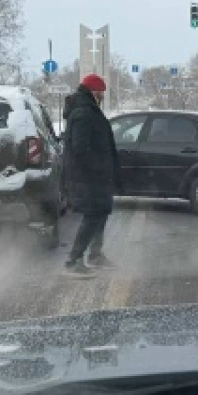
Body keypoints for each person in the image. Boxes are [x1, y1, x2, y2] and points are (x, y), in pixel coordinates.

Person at [61, 74, 120, 277]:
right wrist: (98, 167)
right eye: (101, 92)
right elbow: (80, 149)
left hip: (96, 175)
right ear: (94, 92)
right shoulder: (84, 113)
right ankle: (73, 261)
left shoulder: (89, 110)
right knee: (93, 215)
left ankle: (95, 255)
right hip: (87, 176)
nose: (102, 96)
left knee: (101, 212)